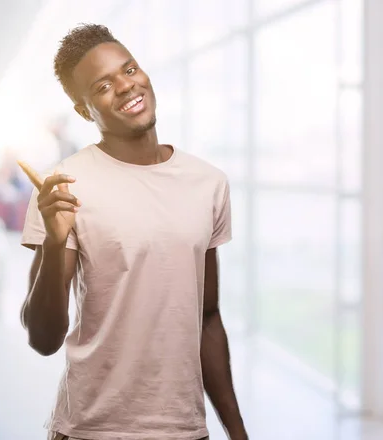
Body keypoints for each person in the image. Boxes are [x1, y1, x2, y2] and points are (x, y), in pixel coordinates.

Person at [20, 24, 247, 440]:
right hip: (90, 429)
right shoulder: (64, 186)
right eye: (104, 85)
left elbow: (207, 318)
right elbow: (43, 337)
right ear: (84, 110)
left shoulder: (208, 182)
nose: (126, 87)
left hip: (184, 429)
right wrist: (54, 244)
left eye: (130, 70)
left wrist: (237, 431)